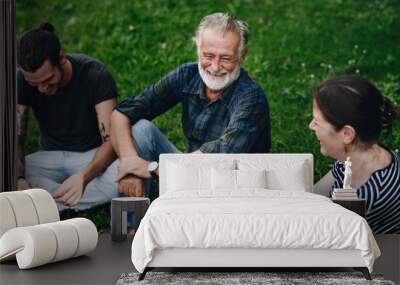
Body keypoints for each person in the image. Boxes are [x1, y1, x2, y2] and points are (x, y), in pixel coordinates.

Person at [110, 13, 271, 198]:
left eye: (226, 58)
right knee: (141, 129)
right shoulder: (186, 74)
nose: (215, 66)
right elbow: (121, 114)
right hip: (190, 168)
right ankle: (130, 225)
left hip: (233, 185)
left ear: (242, 56)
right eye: (208, 55)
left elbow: (223, 156)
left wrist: (151, 168)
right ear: (198, 48)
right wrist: (130, 162)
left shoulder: (251, 97)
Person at [17, 22, 119, 210]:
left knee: (120, 177)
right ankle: (60, 198)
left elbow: (111, 142)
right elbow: (16, 139)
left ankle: (39, 201)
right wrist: (18, 178)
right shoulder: (22, 80)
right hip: (48, 156)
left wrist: (84, 176)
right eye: (34, 84)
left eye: (48, 80)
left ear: (61, 59)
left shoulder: (95, 75)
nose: (42, 88)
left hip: (90, 157)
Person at [310, 75, 399, 234]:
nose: (311, 126)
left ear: (346, 134)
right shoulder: (359, 153)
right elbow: (315, 194)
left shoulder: (367, 196)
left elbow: (327, 236)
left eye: (317, 121)